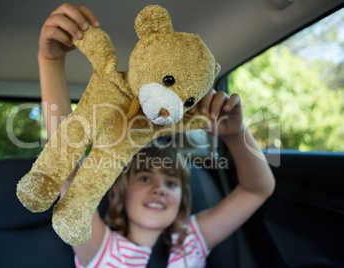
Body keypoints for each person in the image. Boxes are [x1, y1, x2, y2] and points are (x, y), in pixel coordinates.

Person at [38, 3, 275, 267]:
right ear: (117, 190)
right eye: (145, 177)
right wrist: (50, 61)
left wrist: (235, 134)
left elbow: (258, 190)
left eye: (172, 184)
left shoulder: (191, 241)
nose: (159, 189)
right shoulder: (100, 249)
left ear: (183, 200)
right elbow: (67, 160)